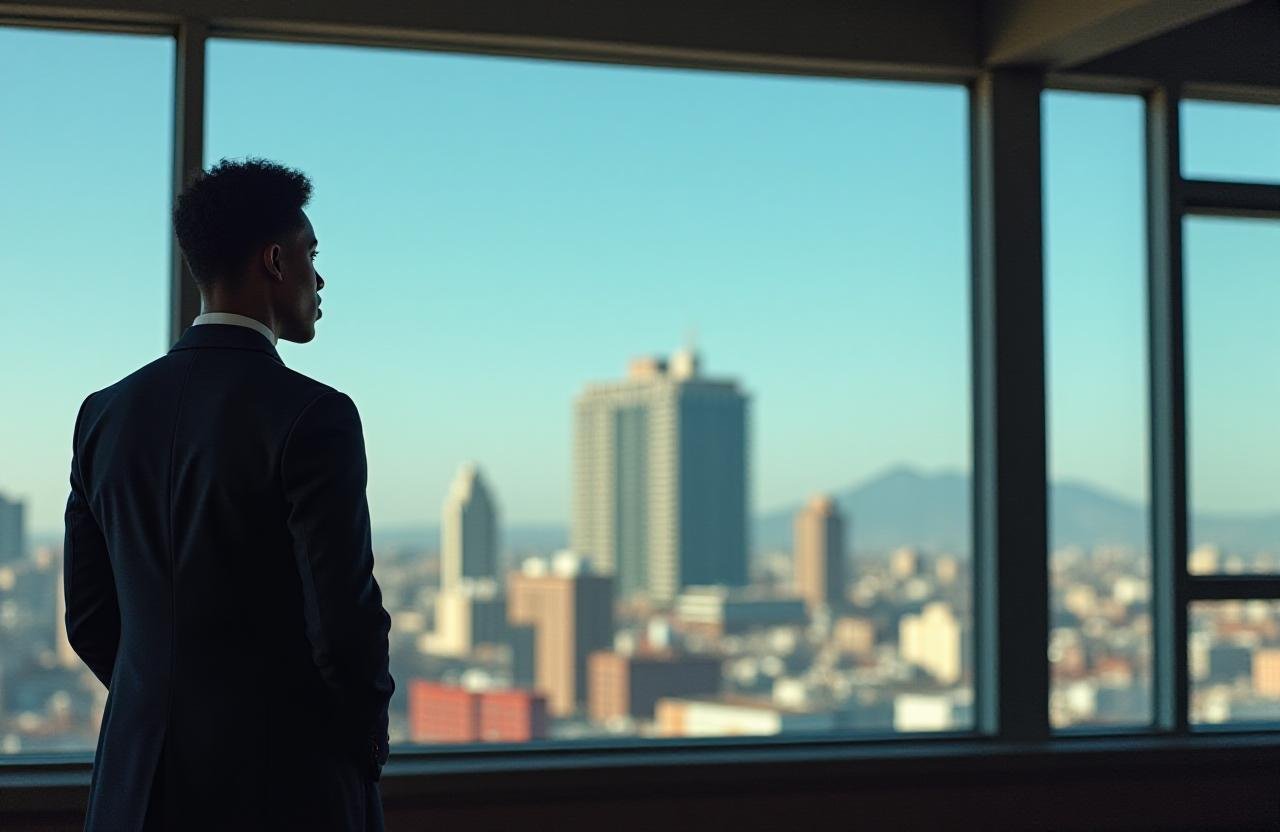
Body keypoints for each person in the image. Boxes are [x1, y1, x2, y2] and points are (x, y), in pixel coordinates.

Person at [63, 158, 394, 831]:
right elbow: (344, 622)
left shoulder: (104, 413)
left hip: (135, 788)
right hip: (284, 788)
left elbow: (91, 616)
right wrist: (360, 743)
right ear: (274, 261)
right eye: (311, 254)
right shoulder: (314, 415)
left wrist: (163, 702)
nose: (319, 278)